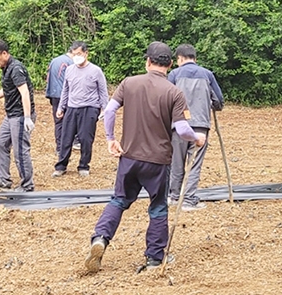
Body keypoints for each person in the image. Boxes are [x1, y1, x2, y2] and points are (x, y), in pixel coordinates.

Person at [83, 42, 206, 274]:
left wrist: (111, 138)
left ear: (147, 62)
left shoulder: (129, 83)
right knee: (158, 207)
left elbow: (108, 111)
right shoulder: (174, 92)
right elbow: (182, 129)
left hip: (129, 157)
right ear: (170, 65)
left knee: (119, 200)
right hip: (158, 161)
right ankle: (153, 259)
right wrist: (197, 138)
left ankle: (100, 239)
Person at [167, 43, 224, 210]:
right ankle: (189, 199)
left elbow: (166, 99)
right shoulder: (207, 74)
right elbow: (219, 101)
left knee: (176, 162)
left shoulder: (174, 75)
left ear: (180, 58)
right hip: (200, 127)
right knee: (194, 163)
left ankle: (174, 196)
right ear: (194, 58)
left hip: (178, 126)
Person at [0, 38, 36, 192]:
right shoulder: (6, 68)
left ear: (4, 53)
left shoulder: (16, 68)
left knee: (20, 150)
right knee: (0, 143)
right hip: (10, 115)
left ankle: (27, 185)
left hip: (20, 116)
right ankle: (3, 179)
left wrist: (27, 117)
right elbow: (8, 89)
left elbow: (24, 92)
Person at [53, 43, 109, 177]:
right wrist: (61, 107)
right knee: (66, 138)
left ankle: (84, 165)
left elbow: (103, 91)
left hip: (90, 108)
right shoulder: (69, 70)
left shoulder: (96, 71)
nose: (76, 57)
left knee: (86, 138)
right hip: (72, 108)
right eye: (74, 54)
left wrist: (105, 109)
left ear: (86, 53)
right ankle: (61, 165)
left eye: (79, 54)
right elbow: (66, 90)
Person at [45, 43, 80, 156]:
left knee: (58, 121)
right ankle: (73, 142)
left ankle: (59, 148)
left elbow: (48, 78)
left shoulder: (55, 60)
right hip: (65, 95)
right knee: (71, 119)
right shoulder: (70, 63)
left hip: (53, 94)